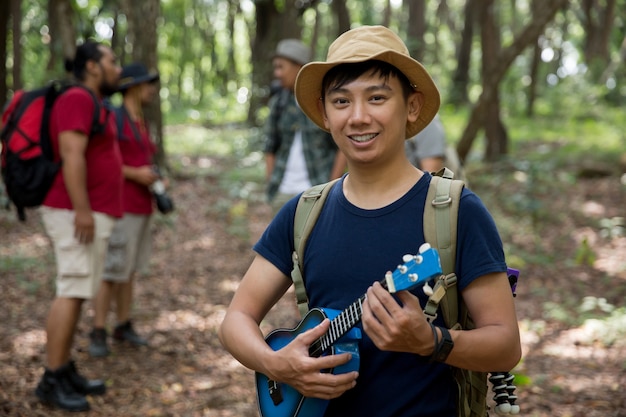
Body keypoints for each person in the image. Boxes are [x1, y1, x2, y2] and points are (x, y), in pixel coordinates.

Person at [219, 25, 521, 417]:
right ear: (325, 115)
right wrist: (276, 364)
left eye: (377, 98)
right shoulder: (304, 212)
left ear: (411, 107)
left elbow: (506, 345)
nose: (358, 117)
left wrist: (431, 341)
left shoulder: (456, 212)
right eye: (341, 101)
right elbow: (234, 322)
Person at [35, 40, 123, 412]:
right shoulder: (77, 98)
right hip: (74, 212)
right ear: (91, 66)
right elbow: (71, 154)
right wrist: (82, 209)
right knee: (71, 290)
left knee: (78, 289)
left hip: (88, 212)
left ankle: (64, 367)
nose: (118, 67)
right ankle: (51, 378)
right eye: (111, 61)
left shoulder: (91, 101)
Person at [89, 63, 161, 357]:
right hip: (121, 206)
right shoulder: (114, 118)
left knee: (129, 270)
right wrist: (135, 174)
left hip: (142, 206)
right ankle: (97, 330)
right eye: (147, 85)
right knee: (111, 270)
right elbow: (102, 161)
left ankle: (122, 324)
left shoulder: (140, 119)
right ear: (132, 87)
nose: (151, 91)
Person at [264, 38, 346, 212]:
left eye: (281, 67)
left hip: (317, 191)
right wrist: (272, 182)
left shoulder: (323, 103)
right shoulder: (278, 104)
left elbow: (341, 147)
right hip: (282, 192)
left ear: (299, 67)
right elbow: (270, 146)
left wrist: (331, 188)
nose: (277, 73)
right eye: (275, 67)